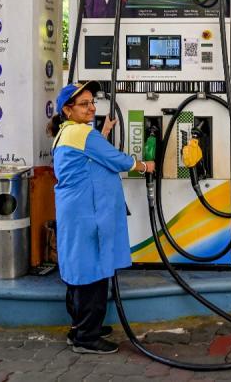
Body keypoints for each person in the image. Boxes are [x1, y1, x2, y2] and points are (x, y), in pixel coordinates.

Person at [48, 81, 155, 354]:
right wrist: (144, 165)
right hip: (88, 213)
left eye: (92, 102)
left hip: (77, 212)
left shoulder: (67, 133)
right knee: (92, 274)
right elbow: (116, 159)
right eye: (84, 104)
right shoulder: (82, 134)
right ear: (67, 110)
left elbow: (90, 156)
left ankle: (79, 328)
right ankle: (87, 337)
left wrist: (103, 132)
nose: (92, 108)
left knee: (78, 270)